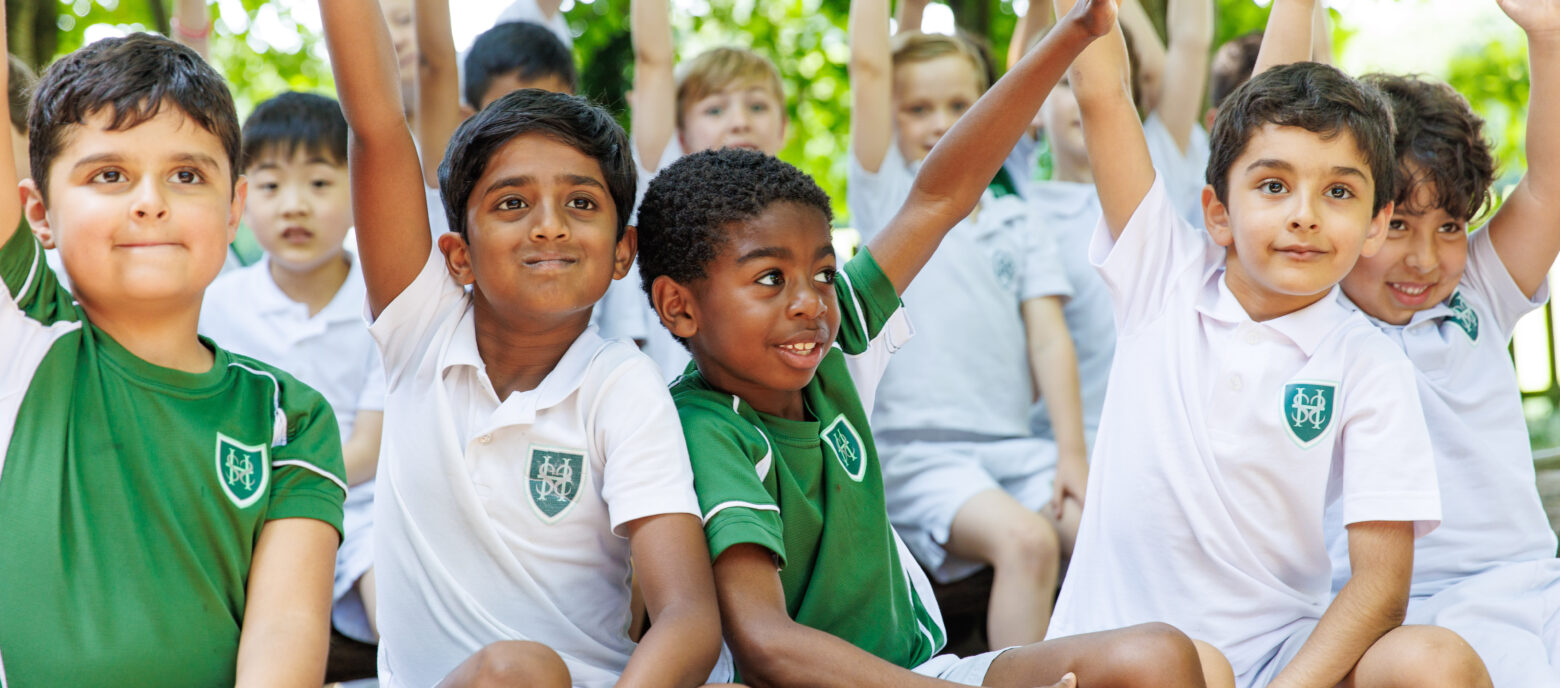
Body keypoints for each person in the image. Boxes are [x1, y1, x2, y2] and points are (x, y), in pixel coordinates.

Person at [636, 0, 1233, 685]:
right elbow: (768, 644)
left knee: (1165, 655)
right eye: (770, 279)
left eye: (824, 273)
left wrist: (1068, 37)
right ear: (679, 308)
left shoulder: (836, 353)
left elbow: (939, 197)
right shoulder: (705, 428)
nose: (809, 302)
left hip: (924, 671)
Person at [1043, 0, 1491, 686]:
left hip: (1277, 662)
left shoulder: (1367, 364)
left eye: (1339, 192)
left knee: (1435, 661)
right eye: (1275, 187)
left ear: (1376, 227)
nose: (1304, 216)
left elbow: (1380, 589)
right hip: (1119, 658)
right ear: (1219, 213)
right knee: (1192, 669)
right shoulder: (1159, 275)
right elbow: (1103, 92)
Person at [319, 1, 724, 685]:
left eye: (582, 203)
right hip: (495, 678)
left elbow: (687, 616)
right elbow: (378, 124)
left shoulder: (622, 384)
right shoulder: (420, 329)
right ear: (458, 256)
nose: (549, 227)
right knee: (519, 670)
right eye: (512, 203)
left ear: (623, 252)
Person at [0, 27, 347, 687]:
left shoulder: (288, 417)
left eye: (187, 175)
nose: (150, 201)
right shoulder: (24, 330)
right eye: (109, 174)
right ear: (39, 212)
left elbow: (283, 640)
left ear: (234, 208)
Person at [1315, 1, 1560, 683]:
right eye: (1399, 226)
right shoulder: (1312, 313)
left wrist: (1548, 35)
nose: (1426, 259)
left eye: (1449, 226)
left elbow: (1550, 185)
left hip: (1531, 585)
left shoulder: (1477, 288)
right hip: (1405, 614)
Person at [847, 0, 1087, 647]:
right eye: (918, 109)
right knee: (1028, 543)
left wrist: (1071, 454)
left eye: (961, 107)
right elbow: (870, 66)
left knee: (1107, 528)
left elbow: (1048, 337)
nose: (942, 124)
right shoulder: (888, 193)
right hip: (920, 452)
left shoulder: (1018, 217)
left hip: (1015, 448)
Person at [199, 91, 386, 649]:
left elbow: (369, 448)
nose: (294, 205)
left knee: (396, 616)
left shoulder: (384, 306)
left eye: (320, 183)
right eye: (272, 185)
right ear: (240, 199)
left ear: (358, 192)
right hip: (246, 508)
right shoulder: (216, 304)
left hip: (364, 506)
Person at [616, 0, 792, 380]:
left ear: (784, 127)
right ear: (679, 134)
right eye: (715, 110)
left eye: (758, 106)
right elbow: (653, 60)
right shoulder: (663, 188)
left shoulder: (801, 226)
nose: (740, 122)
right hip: (672, 425)